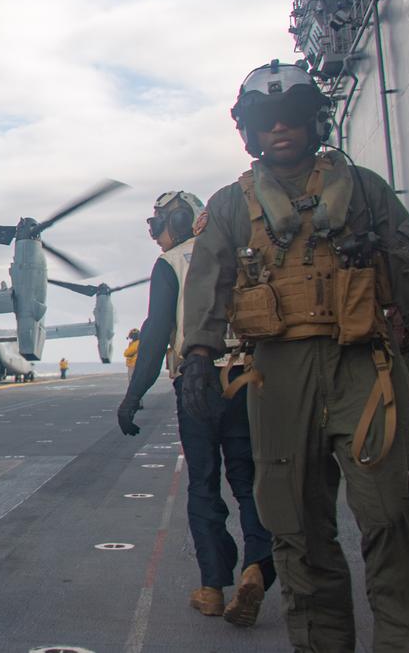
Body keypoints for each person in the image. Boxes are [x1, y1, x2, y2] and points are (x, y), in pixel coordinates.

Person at [180, 60, 409, 651]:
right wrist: (199, 360)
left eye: (292, 116)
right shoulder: (232, 205)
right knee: (296, 530)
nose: (280, 128)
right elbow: (208, 280)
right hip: (278, 376)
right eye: (265, 120)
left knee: (395, 518)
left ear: (314, 119)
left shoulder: (364, 191)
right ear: (250, 132)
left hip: (367, 365)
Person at [117, 191, 274, 626]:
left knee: (204, 484)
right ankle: (257, 566)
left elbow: (155, 335)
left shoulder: (171, 264)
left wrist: (133, 397)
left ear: (179, 219)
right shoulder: (239, 250)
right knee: (250, 480)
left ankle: (211, 587)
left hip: (196, 383)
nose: (155, 238)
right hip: (246, 377)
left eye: (156, 226)